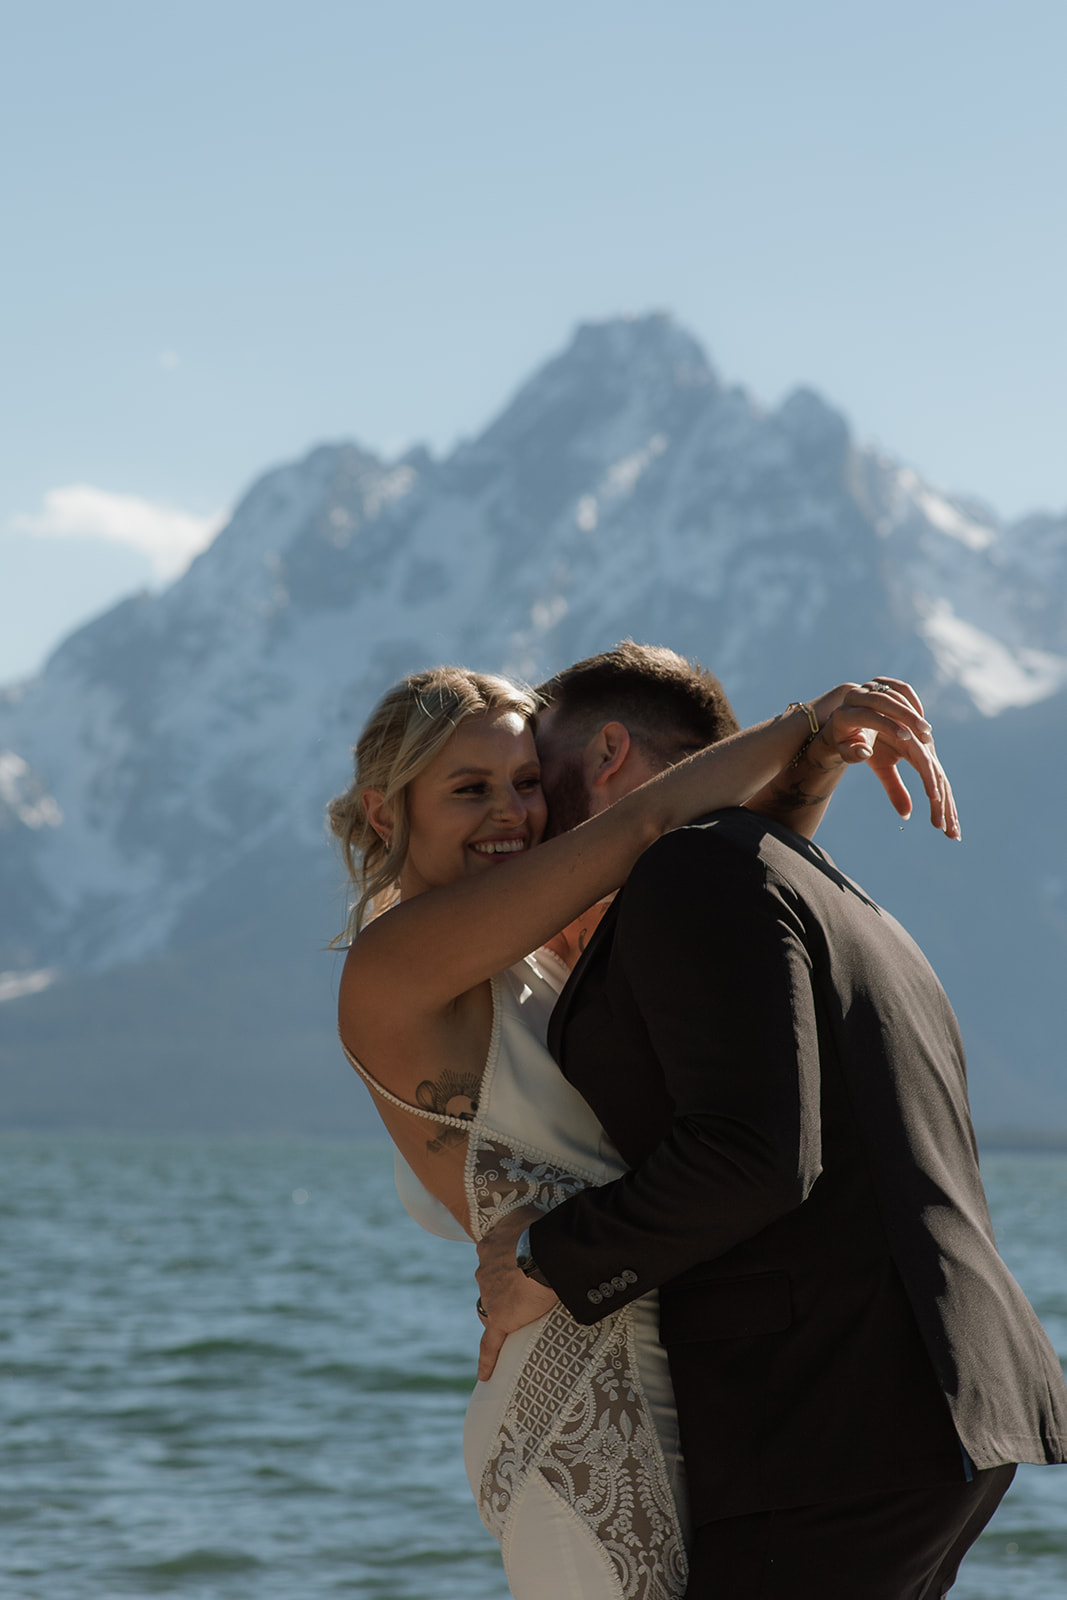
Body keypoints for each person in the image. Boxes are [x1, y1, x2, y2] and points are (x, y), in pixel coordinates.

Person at [330, 656, 954, 1600]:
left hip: (686, 1368)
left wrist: (812, 773)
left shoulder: (535, 953)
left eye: (528, 784)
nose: (513, 813)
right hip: (569, 1396)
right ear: (386, 815)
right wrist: (805, 723)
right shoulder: (394, 962)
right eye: (470, 790)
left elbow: (706, 898)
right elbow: (648, 827)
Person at [475, 644, 1067, 1600]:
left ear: (612, 752)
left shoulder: (686, 874)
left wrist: (546, 1261)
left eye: (541, 779)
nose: (531, 817)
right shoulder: (820, 884)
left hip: (831, 1420)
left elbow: (752, 1156)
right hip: (921, 1408)